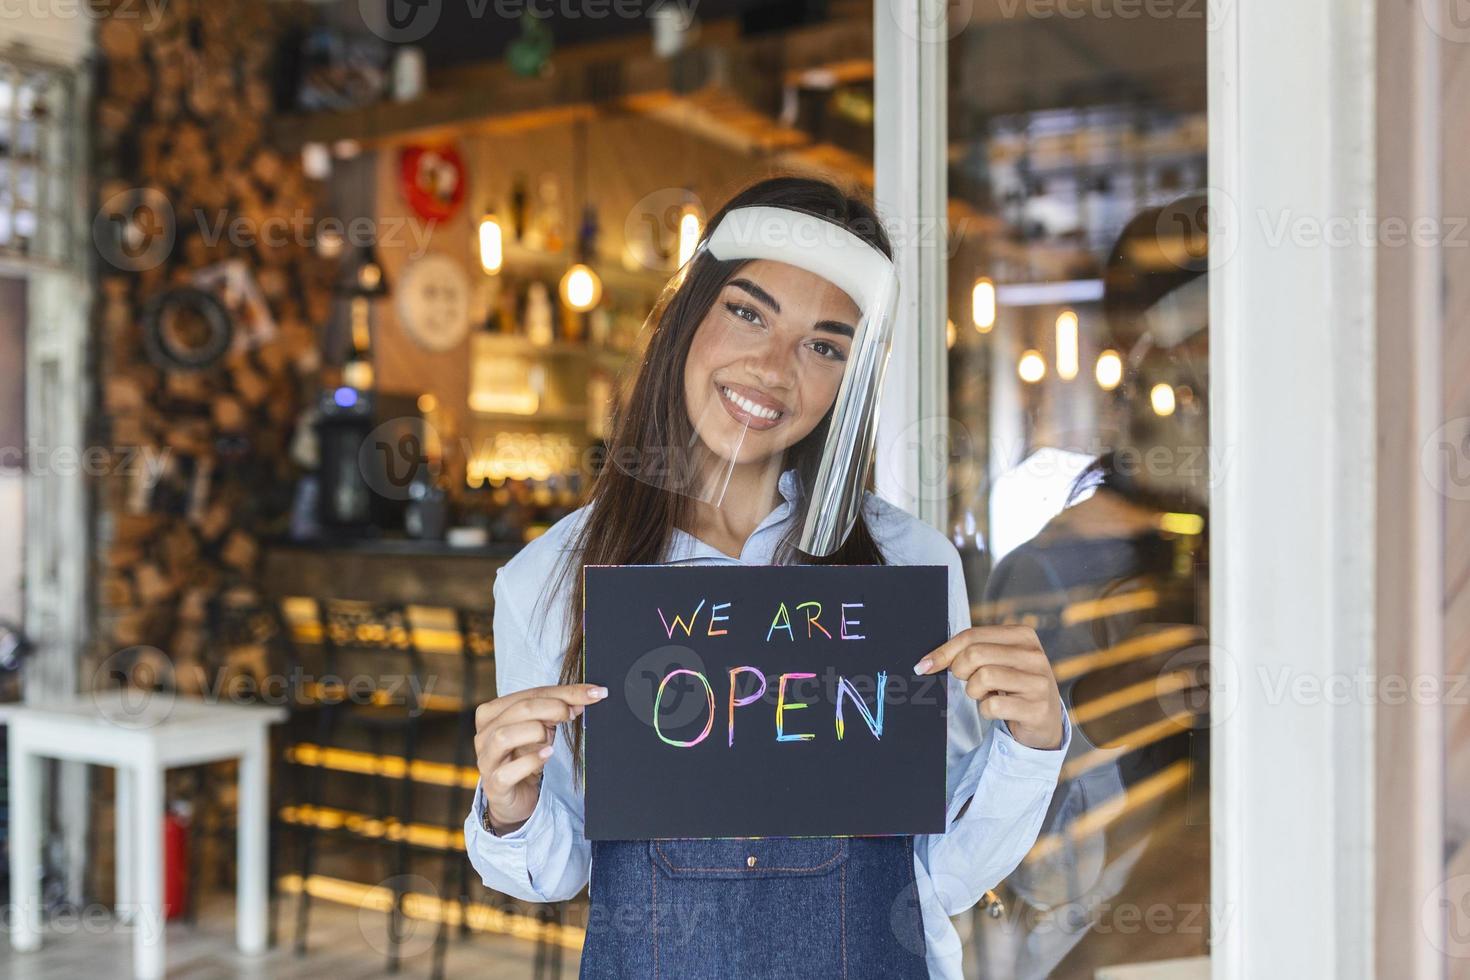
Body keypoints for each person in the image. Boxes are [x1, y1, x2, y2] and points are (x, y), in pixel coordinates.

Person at [465, 175, 1069, 979]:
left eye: (824, 345)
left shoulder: (910, 566)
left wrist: (1031, 744)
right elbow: (562, 870)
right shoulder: (548, 579)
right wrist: (509, 807)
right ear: (689, 315)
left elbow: (942, 872)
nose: (773, 368)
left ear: (849, 385)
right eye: (748, 312)